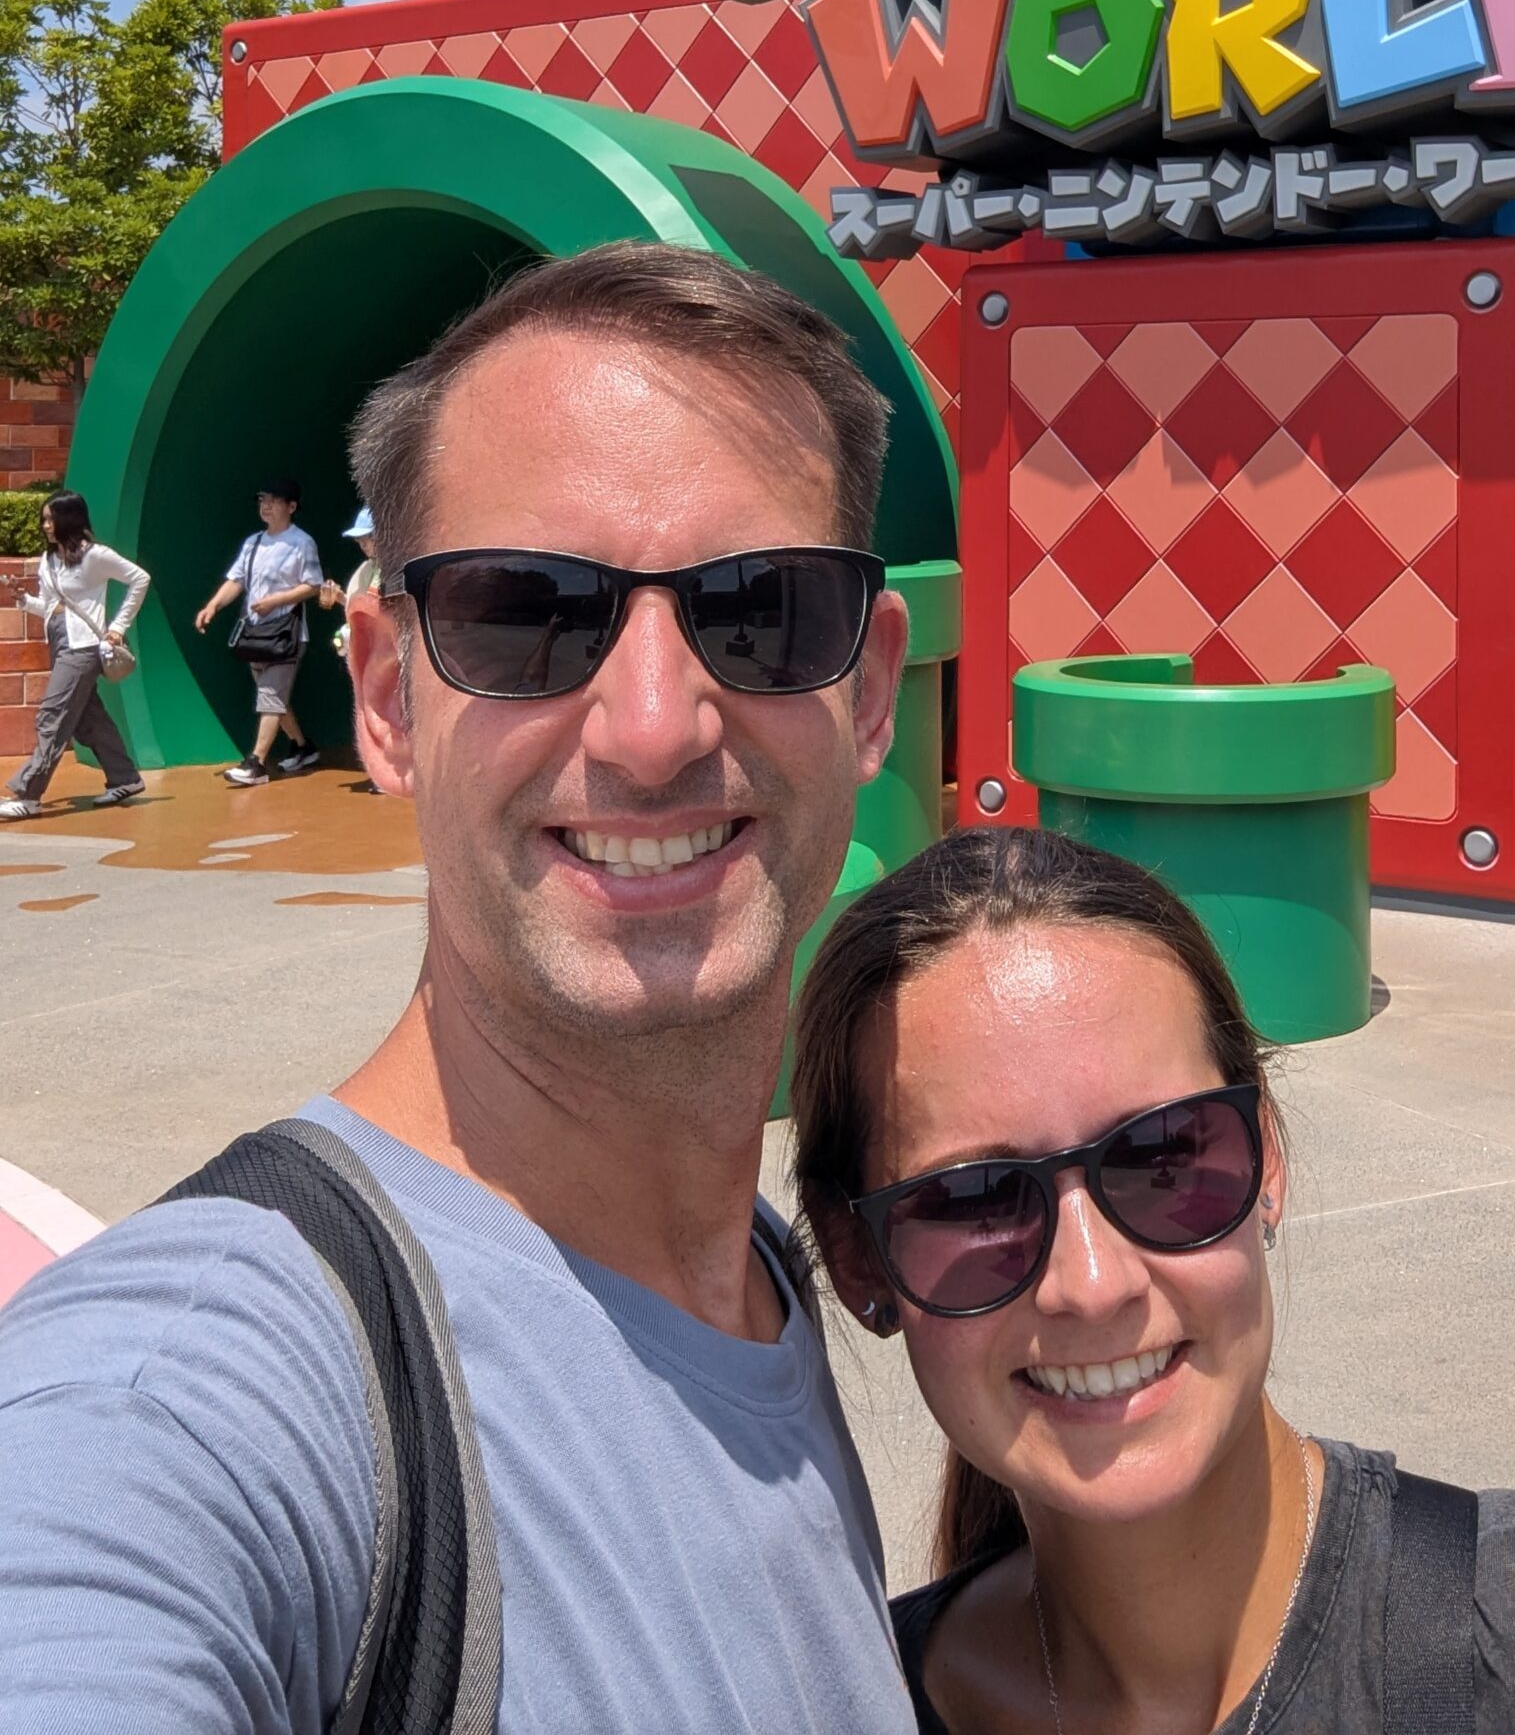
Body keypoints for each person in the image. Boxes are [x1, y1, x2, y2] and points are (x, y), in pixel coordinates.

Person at [0, 242, 918, 1732]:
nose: (652, 728)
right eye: (525, 614)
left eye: (762, 608)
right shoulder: (177, 1400)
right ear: (386, 698)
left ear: (867, 691)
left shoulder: (759, 1276)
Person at [790, 825, 1515, 1735]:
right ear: (857, 1259)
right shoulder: (839, 1707)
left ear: (1269, 1157)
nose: (1093, 1283)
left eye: (1165, 1156)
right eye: (976, 1201)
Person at [1, 491, 149, 820]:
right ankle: (125, 778)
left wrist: (118, 626)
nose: (45, 525)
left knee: (52, 716)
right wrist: (23, 599)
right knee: (86, 717)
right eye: (44, 519)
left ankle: (29, 794)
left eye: (50, 519)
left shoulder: (95, 556)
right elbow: (51, 607)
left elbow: (140, 578)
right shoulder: (49, 559)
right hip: (59, 641)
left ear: (69, 518)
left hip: (82, 647)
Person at [193, 473, 325, 785]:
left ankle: (256, 764)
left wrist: (276, 600)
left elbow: (313, 585)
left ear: (291, 506)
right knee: (275, 699)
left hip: (286, 635)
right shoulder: (253, 542)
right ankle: (303, 748)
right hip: (256, 634)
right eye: (263, 500)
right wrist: (213, 606)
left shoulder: (302, 542)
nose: (266, 506)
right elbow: (236, 580)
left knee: (270, 697)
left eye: (274, 501)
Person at [319, 504, 380, 656]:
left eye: (369, 537)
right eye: (359, 539)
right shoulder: (370, 567)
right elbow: (366, 609)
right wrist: (339, 597)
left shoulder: (393, 567)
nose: (363, 544)